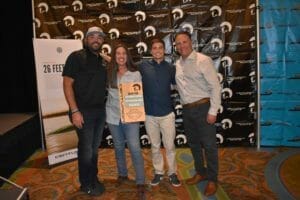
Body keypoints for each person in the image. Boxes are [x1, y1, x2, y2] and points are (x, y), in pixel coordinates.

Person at [174, 31, 221, 196]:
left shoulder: (203, 60)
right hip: (187, 110)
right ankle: (201, 173)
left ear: (191, 42)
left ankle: (213, 179)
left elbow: (215, 87)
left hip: (203, 108)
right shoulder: (178, 64)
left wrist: (213, 110)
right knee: (194, 144)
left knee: (209, 146)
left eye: (184, 42)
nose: (182, 46)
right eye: (178, 43)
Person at [62, 26, 107, 196]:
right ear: (86, 39)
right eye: (92, 36)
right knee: (86, 149)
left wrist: (107, 56)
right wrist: (74, 111)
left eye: (99, 37)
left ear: (103, 41)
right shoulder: (76, 57)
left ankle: (93, 178)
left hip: (99, 112)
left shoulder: (101, 60)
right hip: (82, 112)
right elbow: (67, 84)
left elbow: (119, 62)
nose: (96, 39)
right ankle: (86, 183)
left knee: (94, 149)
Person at [105, 43, 146, 197]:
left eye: (123, 53)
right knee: (118, 147)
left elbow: (139, 97)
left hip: (131, 117)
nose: (121, 56)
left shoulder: (135, 74)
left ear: (127, 56)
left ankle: (140, 181)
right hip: (113, 117)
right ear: (114, 57)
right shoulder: (109, 73)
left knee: (135, 148)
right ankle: (122, 174)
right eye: (117, 54)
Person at [139, 38, 181, 187]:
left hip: (167, 114)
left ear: (164, 50)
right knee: (155, 146)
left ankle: (172, 173)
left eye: (160, 48)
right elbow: (124, 66)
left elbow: (178, 85)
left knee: (170, 146)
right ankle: (158, 172)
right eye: (155, 48)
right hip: (149, 115)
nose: (157, 50)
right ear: (151, 51)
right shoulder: (143, 66)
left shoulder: (171, 68)